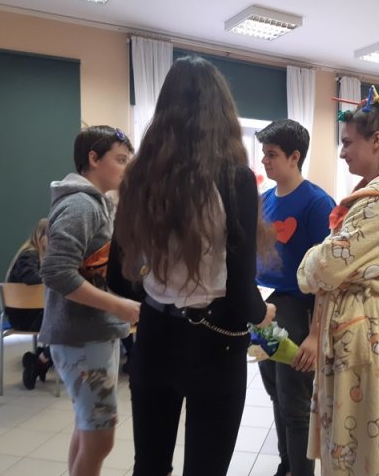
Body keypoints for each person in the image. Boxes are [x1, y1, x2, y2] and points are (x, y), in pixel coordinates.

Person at [112, 55, 275, 476]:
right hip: (214, 344)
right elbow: (240, 293)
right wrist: (264, 313)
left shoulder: (139, 176)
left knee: (149, 465)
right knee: (206, 468)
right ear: (221, 112)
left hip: (154, 336)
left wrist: (161, 288)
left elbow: (118, 276)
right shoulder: (234, 178)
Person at [297, 89, 379, 476]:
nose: (342, 153)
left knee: (360, 442)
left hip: (369, 328)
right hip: (370, 322)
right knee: (361, 434)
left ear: (376, 141)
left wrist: (312, 260)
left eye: (347, 143)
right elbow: (335, 260)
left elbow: (325, 267)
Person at [39, 125, 141, 476]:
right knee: (99, 438)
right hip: (82, 338)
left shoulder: (97, 204)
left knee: (88, 429)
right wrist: (118, 306)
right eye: (120, 160)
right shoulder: (81, 205)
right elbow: (56, 272)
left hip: (92, 335)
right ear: (93, 159)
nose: (126, 168)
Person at [255, 119, 336, 476]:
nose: (264, 160)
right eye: (263, 153)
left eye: (271, 154)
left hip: (296, 308)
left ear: (294, 157)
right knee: (275, 393)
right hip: (263, 309)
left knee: (295, 402)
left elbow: (327, 277)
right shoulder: (263, 201)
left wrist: (316, 334)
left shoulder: (317, 204)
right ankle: (286, 465)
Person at [5, 217, 53, 390]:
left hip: (30, 316)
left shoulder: (34, 254)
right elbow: (31, 278)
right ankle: (41, 361)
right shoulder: (29, 254)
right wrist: (55, 278)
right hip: (26, 318)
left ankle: (41, 358)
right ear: (41, 237)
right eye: (52, 238)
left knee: (71, 323)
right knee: (70, 325)